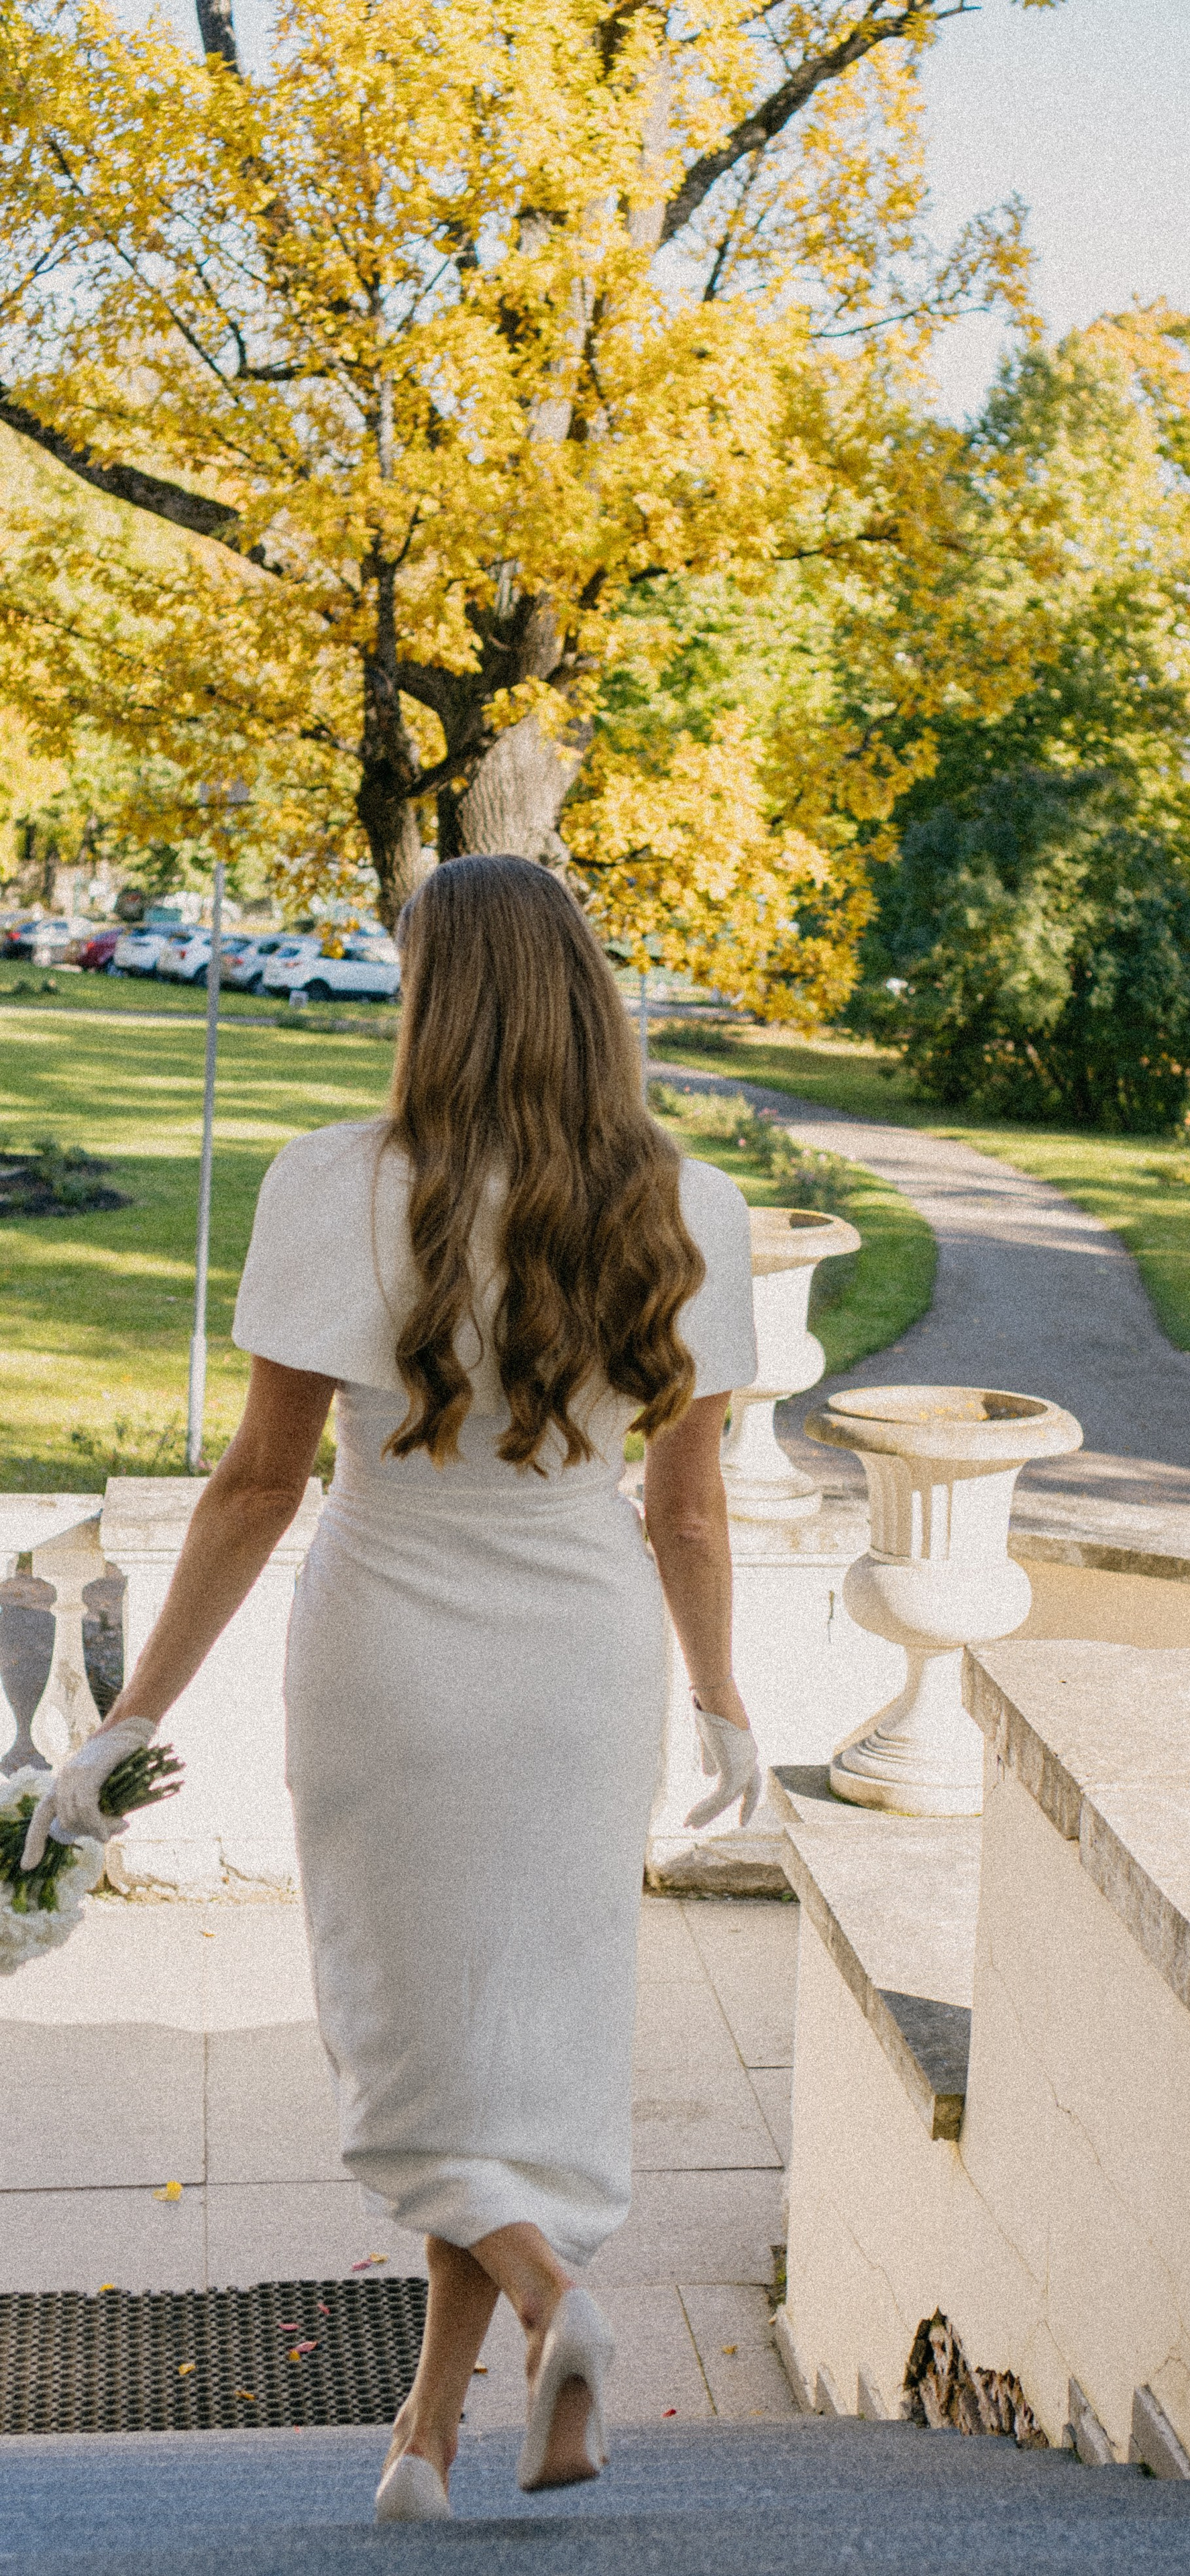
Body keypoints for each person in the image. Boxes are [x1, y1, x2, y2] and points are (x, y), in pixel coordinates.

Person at [23, 856, 763, 2519]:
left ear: (430, 1001)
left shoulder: (331, 1183)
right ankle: (440, 2433)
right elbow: (689, 1508)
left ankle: (555, 2309)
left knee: (401, 2038)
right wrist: (723, 1701)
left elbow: (257, 1486)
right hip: (587, 1660)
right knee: (521, 2047)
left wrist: (131, 1713)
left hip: (391, 1653)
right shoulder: (688, 1206)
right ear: (587, 998)